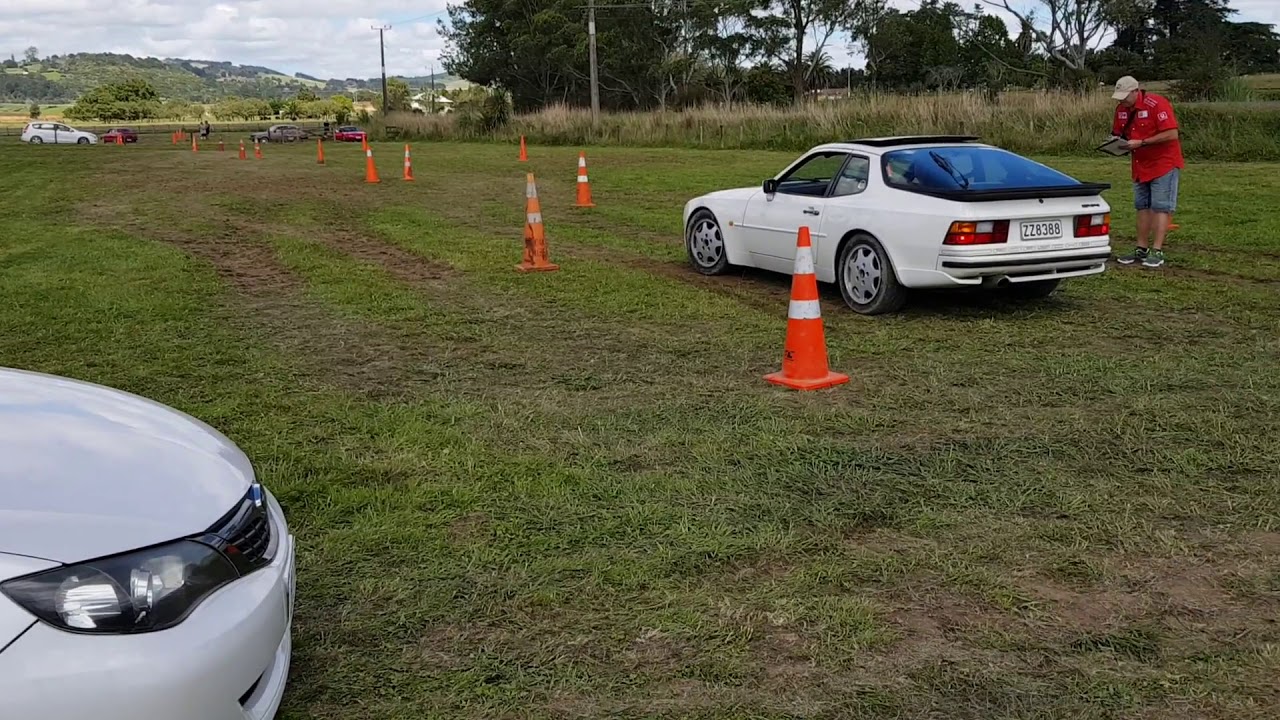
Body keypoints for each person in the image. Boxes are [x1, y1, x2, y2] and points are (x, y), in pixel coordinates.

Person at [1110, 75, 1184, 268]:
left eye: (1126, 96)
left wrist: (1142, 142)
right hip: (1140, 165)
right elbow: (1118, 133)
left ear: (1136, 91)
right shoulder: (1121, 110)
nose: (1122, 100)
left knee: (1161, 205)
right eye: (1119, 97)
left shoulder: (1157, 104)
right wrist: (1114, 144)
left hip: (1163, 163)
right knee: (1141, 205)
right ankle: (1141, 248)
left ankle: (1157, 250)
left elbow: (1171, 133)